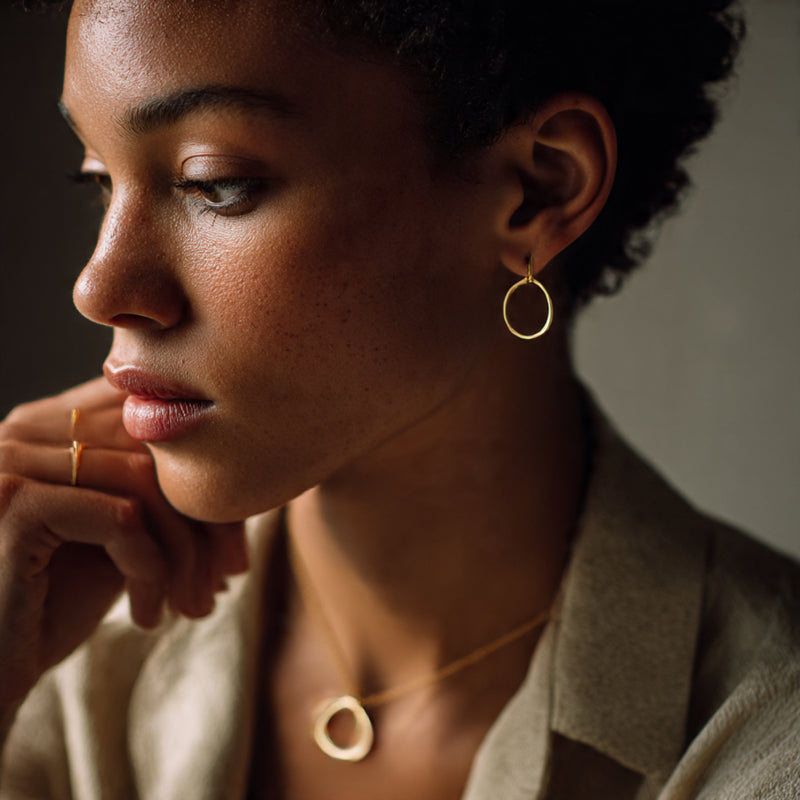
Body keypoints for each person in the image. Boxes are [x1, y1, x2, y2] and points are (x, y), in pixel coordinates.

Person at [0, 0, 798, 798]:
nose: (99, 287)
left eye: (216, 184)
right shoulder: (55, 656)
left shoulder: (763, 734)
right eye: (99, 178)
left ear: (538, 189)